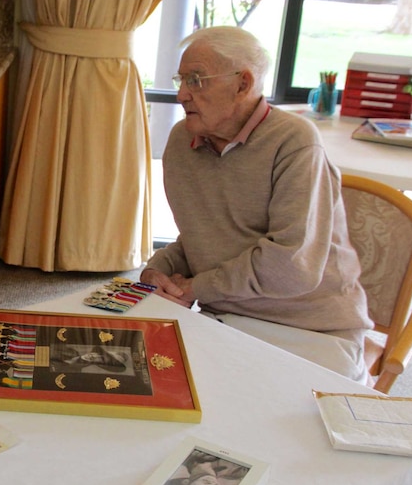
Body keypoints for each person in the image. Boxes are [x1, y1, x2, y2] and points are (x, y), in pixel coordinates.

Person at [140, 26, 372, 383]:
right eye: (181, 79)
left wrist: (194, 289)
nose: (182, 94)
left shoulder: (294, 141)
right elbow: (200, 238)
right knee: (135, 378)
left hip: (312, 331)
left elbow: (291, 267)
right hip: (223, 317)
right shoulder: (181, 143)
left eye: (197, 80)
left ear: (243, 84)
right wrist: (155, 273)